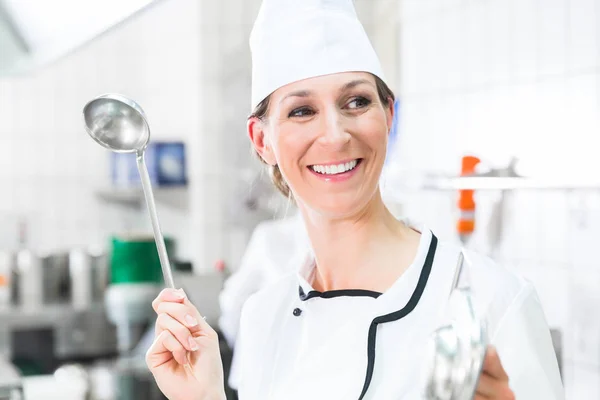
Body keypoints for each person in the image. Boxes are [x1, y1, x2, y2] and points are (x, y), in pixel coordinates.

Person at [146, 0, 564, 399]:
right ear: (262, 141)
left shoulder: (492, 300)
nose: (335, 135)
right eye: (302, 111)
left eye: (357, 102)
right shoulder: (263, 318)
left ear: (389, 115)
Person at [217, 212, 308, 390]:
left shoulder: (270, 235)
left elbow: (232, 300)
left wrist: (243, 342)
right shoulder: (270, 236)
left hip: (262, 368)